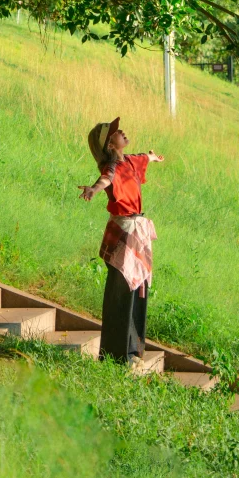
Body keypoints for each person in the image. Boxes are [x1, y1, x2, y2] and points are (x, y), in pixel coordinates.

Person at [80, 117, 164, 365]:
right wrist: (93, 190)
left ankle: (133, 351)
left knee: (138, 289)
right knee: (122, 291)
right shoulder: (112, 167)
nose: (122, 131)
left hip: (137, 231)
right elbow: (105, 180)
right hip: (124, 233)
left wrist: (152, 157)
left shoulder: (130, 161)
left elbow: (143, 157)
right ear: (109, 145)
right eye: (116, 132)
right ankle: (115, 355)